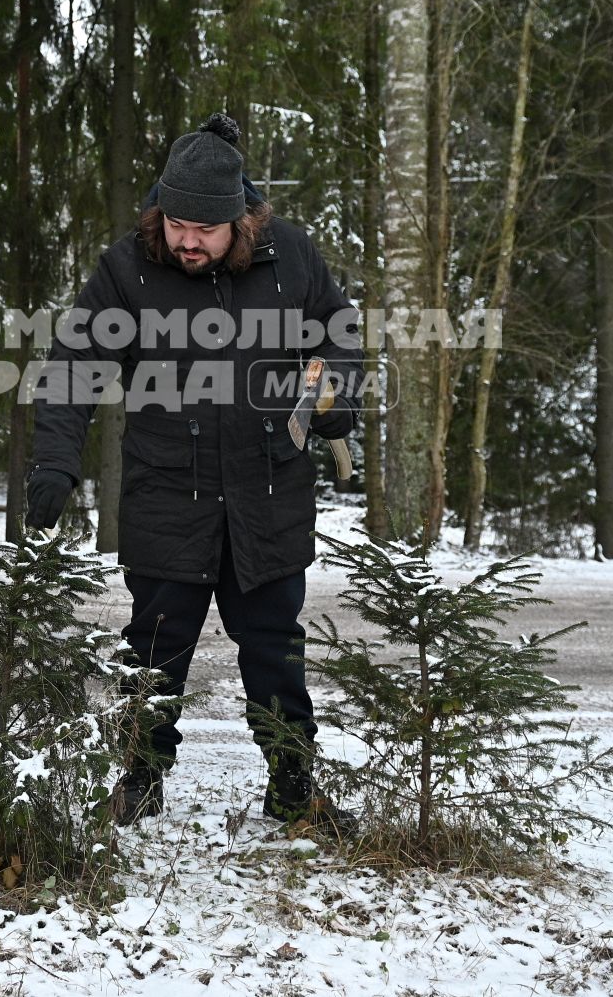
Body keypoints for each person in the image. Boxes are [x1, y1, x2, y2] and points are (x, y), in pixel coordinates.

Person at [25, 111, 360, 828]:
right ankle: (140, 782)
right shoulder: (127, 270)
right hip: (167, 494)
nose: (186, 240)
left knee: (276, 653)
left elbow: (340, 334)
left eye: (203, 229)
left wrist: (335, 398)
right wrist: (56, 460)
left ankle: (292, 788)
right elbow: (73, 367)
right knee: (153, 653)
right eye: (175, 223)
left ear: (239, 219)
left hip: (268, 496)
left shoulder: (292, 258)